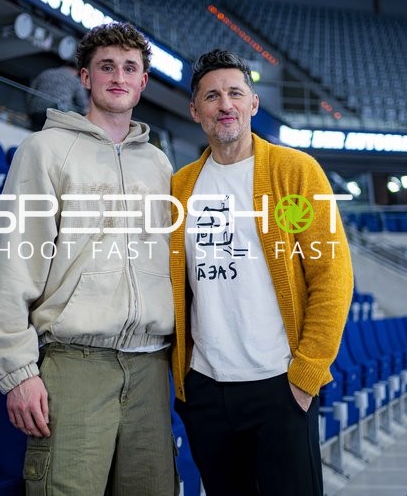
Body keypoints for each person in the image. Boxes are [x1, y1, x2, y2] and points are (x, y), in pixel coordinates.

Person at [0, 22, 177, 495]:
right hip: (75, 362)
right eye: (105, 66)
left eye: (130, 68)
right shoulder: (44, 150)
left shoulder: (159, 164)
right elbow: (12, 263)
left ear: (143, 82)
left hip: (151, 367)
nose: (118, 76)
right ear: (84, 77)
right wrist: (17, 372)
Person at [170, 49, 354, 496]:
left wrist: (306, 376)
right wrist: (186, 386)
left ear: (253, 103)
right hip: (207, 390)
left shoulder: (296, 172)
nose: (225, 104)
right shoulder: (180, 186)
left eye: (235, 92)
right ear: (196, 111)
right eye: (211, 96)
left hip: (279, 387)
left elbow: (332, 277)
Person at [27, 63, 89, 130]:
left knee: (35, 132)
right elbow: (82, 103)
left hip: (37, 109)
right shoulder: (75, 80)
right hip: (58, 113)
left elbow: (30, 92)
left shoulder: (46, 72)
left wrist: (30, 108)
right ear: (76, 70)